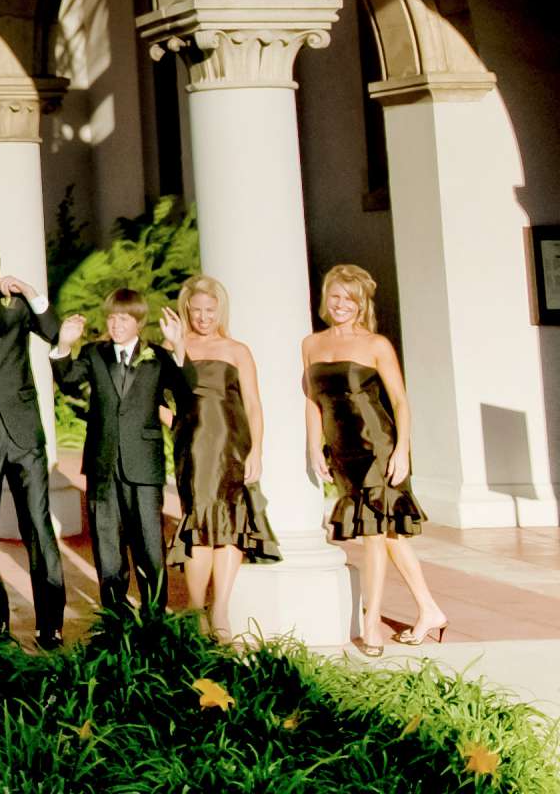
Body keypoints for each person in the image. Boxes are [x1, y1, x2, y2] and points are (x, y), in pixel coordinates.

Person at [302, 263, 447, 655]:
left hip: (377, 447)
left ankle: (371, 623)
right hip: (342, 450)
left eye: (349, 299)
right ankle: (430, 610)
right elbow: (313, 401)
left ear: (361, 303)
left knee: (373, 535)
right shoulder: (311, 344)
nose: (341, 305)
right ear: (325, 299)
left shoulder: (376, 344)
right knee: (390, 536)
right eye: (335, 296)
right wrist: (314, 446)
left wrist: (402, 449)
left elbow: (399, 401)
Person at [0, 237, 69, 649]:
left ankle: (51, 625)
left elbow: (56, 334)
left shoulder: (18, 307)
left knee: (38, 528)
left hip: (23, 433)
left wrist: (33, 294)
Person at [54, 287, 191, 615]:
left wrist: (180, 346)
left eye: (124, 318)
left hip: (143, 463)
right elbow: (70, 381)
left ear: (139, 322)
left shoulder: (157, 356)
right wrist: (63, 345)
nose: (116, 325)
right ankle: (115, 614)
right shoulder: (93, 353)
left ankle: (155, 614)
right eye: (112, 317)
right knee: (107, 542)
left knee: (148, 542)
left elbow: (187, 391)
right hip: (102, 463)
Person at [163, 275, 278, 639]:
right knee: (198, 524)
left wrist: (257, 450)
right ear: (186, 311)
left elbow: (254, 406)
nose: (202, 317)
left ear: (220, 311)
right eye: (196, 310)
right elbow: (156, 400)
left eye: (209, 311)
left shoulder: (237, 350)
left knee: (231, 523)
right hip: (194, 447)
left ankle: (222, 610)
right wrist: (178, 425)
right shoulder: (176, 348)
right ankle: (196, 610)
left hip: (233, 445)